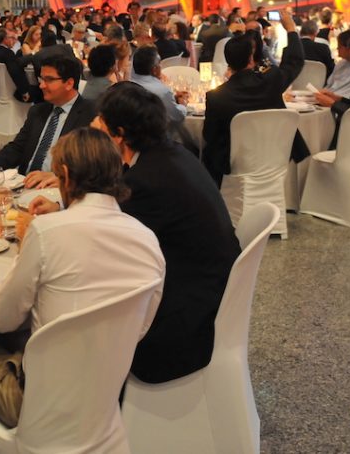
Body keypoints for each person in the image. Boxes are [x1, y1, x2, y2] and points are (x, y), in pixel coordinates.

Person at [0, 127, 164, 443]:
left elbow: (3, 318)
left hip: (39, 408)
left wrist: (25, 249)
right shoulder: (148, 240)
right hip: (104, 403)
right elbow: (139, 327)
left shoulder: (46, 232)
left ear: (64, 175)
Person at [90, 82, 239, 382]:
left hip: (185, 323)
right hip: (211, 290)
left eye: (100, 123)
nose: (94, 127)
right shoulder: (172, 154)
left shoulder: (148, 181)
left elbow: (108, 244)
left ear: (119, 134)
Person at [202, 10, 308, 186]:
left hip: (236, 163)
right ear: (251, 59)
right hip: (275, 154)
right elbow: (294, 62)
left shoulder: (216, 96)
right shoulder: (271, 80)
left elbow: (209, 135)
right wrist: (290, 29)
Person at [0, 56, 95, 187]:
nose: (42, 85)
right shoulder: (38, 111)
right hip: (24, 183)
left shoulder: (90, 115)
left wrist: (61, 178)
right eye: (42, 79)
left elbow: (93, 165)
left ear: (69, 83)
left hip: (59, 188)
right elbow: (18, 147)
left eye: (49, 80)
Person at [130, 46, 187, 124]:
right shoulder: (161, 91)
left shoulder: (127, 86)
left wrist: (172, 98)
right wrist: (183, 105)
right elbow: (177, 116)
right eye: (159, 63)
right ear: (154, 70)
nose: (161, 66)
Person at [0, 28, 38, 103]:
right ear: (5, 39)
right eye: (13, 38)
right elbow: (16, 73)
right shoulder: (7, 53)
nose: (15, 41)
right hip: (12, 92)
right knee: (38, 89)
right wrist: (24, 92)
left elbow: (15, 63)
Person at [325, 29, 350, 98]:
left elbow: (349, 93)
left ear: (349, 48)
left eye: (340, 46)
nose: (337, 48)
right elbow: (330, 85)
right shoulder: (341, 63)